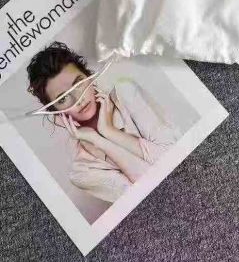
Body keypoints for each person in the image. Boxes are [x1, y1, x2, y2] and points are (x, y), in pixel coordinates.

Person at [26, 42, 180, 203]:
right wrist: (98, 140)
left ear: (89, 77)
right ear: (56, 112)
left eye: (78, 84)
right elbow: (149, 194)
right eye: (62, 99)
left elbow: (173, 157)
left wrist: (109, 131)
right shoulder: (82, 171)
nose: (78, 99)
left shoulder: (126, 91)